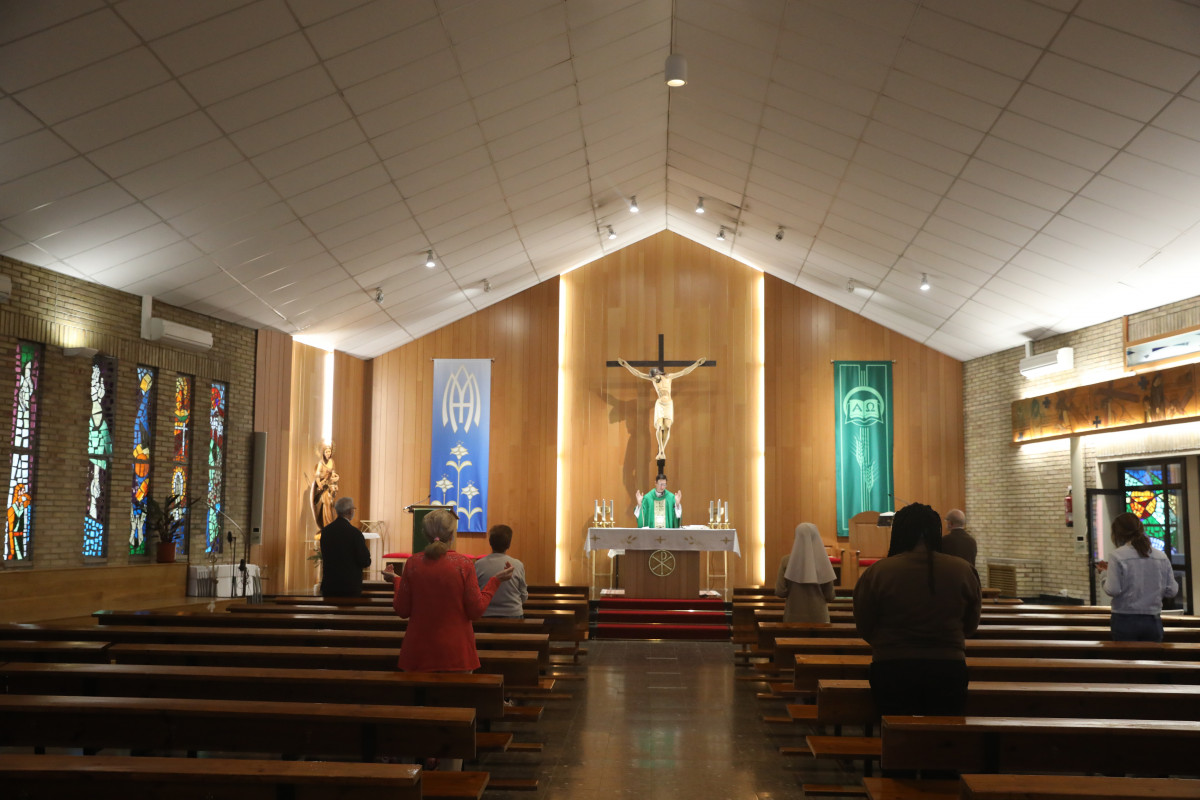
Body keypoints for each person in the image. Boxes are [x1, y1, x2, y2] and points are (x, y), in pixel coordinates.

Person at [853, 502, 981, 718]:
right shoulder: (962, 570)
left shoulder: (878, 572)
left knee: (896, 739)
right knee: (945, 741)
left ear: (899, 532)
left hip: (892, 666)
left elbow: (864, 624)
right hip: (948, 666)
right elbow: (970, 625)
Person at [1096, 512, 1178, 642]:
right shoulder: (1161, 556)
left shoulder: (1117, 556)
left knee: (1127, 661)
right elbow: (1172, 591)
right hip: (1153, 619)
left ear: (1117, 533)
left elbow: (1113, 590)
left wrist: (1104, 574)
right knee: (1152, 661)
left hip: (1124, 619)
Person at [617, 356, 706, 461]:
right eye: (653, 378)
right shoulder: (653, 379)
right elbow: (638, 374)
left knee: (667, 427)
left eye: (655, 377)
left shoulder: (669, 377)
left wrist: (697, 364)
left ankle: (661, 451)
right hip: (659, 404)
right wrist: (626, 365)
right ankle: (662, 451)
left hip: (668, 403)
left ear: (658, 373)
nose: (655, 379)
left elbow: (684, 372)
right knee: (659, 426)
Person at [775, 522, 836, 623]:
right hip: (820, 619)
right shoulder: (823, 562)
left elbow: (780, 592)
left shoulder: (786, 561)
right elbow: (830, 596)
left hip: (793, 618)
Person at [318, 496, 371, 597]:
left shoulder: (325, 532)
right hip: (350, 587)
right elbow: (364, 561)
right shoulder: (355, 533)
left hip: (329, 586)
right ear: (350, 511)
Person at [476, 524, 528, 618]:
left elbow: (475, 593)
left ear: (490, 542)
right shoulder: (518, 565)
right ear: (509, 544)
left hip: (485, 615)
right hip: (513, 614)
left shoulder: (478, 565)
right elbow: (523, 595)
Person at [311, 444, 339, 528]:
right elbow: (317, 476)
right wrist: (320, 484)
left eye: (329, 451)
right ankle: (327, 524)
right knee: (326, 502)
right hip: (322, 487)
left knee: (331, 503)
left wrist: (336, 477)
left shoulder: (332, 462)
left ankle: (330, 523)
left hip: (329, 484)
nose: (328, 453)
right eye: (326, 451)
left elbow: (333, 473)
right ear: (323, 453)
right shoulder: (321, 463)